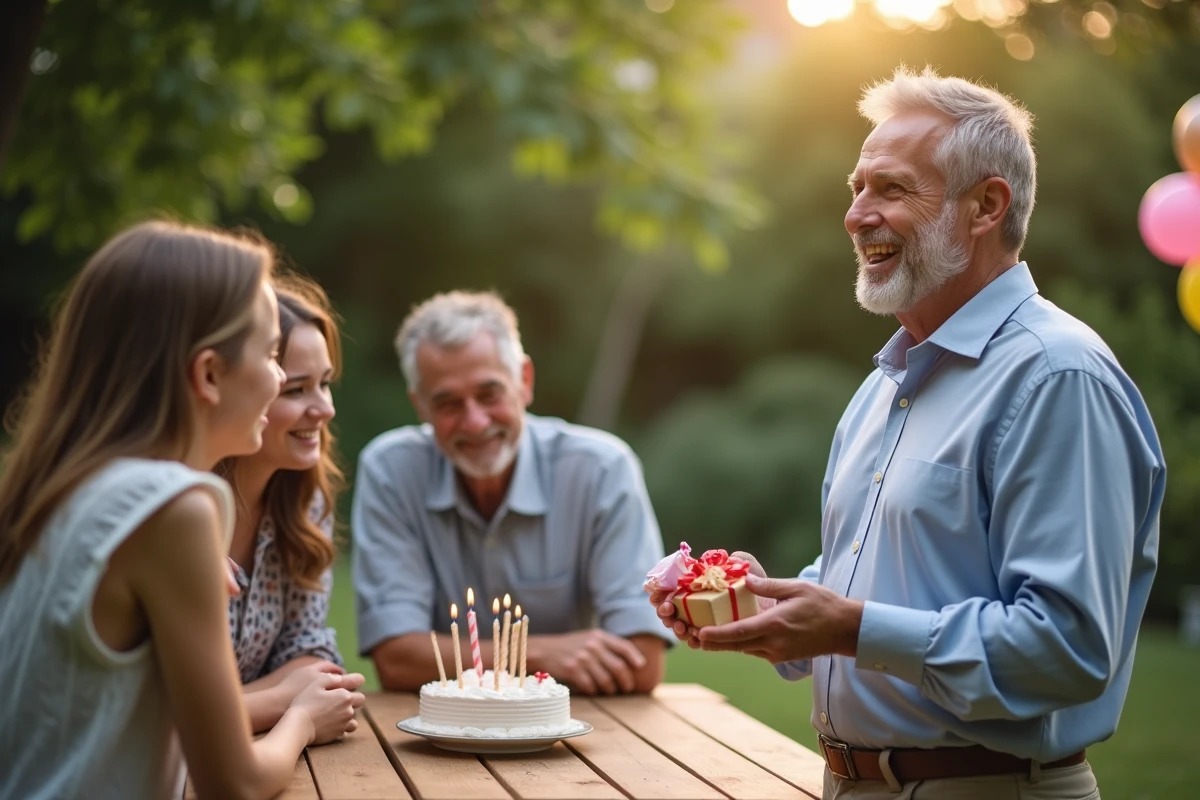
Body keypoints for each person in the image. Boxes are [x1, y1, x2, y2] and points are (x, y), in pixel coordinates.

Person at [652, 67, 1164, 799]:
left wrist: (852, 628)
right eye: (856, 188)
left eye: (891, 189)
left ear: (986, 206)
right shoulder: (882, 386)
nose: (856, 215)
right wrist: (766, 606)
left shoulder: (1057, 376)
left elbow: (1068, 648)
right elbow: (872, 590)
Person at [0, 221, 365, 800]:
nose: (278, 379)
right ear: (209, 374)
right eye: (273, 355)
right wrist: (299, 718)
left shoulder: (63, 487)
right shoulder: (174, 509)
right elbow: (237, 782)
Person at [352, 290, 672, 695]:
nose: (475, 422)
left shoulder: (601, 469)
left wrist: (455, 661)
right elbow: (397, 660)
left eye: (489, 394)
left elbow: (640, 661)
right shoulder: (391, 471)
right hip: (441, 726)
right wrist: (541, 655)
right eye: (448, 404)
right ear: (421, 407)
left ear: (524, 381)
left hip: (572, 725)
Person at [216, 278, 348, 733]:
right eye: (295, 390)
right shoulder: (178, 510)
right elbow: (156, 709)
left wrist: (238, 705)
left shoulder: (305, 503)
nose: (325, 409)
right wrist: (283, 702)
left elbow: (312, 653)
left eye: (325, 384)